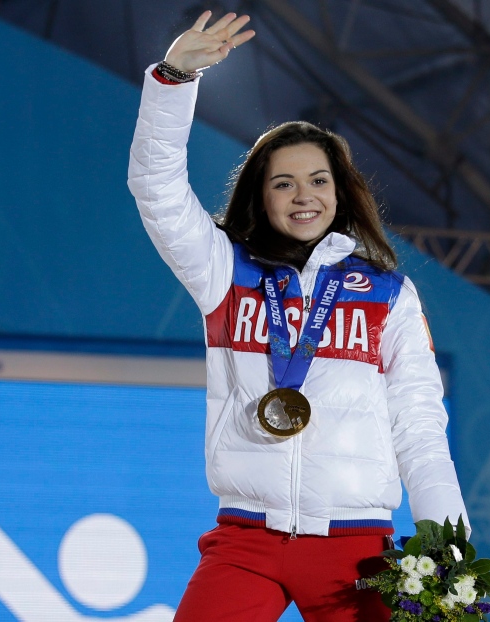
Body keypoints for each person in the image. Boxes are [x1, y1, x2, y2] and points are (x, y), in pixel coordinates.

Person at [127, 11, 469, 621]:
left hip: (357, 547)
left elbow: (419, 426)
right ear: (261, 194)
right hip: (246, 540)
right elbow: (156, 188)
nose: (303, 194)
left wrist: (450, 548)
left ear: (340, 191)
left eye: (317, 179)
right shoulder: (224, 271)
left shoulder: (388, 294)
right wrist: (174, 78)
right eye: (283, 183)